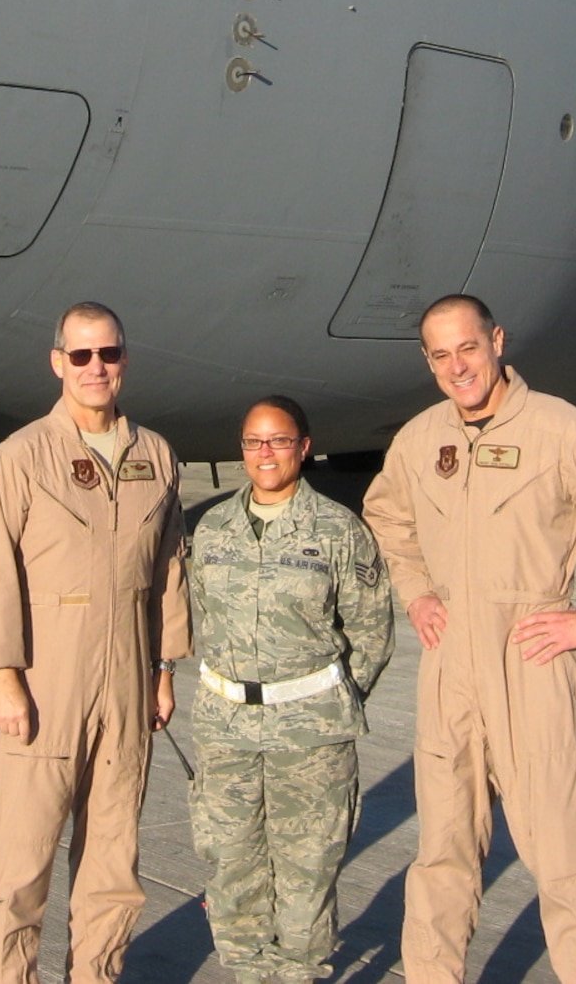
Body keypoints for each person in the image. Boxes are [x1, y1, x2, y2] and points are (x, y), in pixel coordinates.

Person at [361, 294, 576, 984]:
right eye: (441, 355)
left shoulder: (567, 431)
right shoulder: (420, 438)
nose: (457, 366)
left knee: (567, 858)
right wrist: (416, 591)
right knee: (442, 855)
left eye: (468, 348)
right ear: (427, 360)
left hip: (534, 661)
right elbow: (385, 515)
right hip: (450, 670)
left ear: (498, 341)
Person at [0, 302, 190, 984]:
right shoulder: (23, 456)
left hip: (127, 681)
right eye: (83, 356)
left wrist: (163, 670)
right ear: (59, 362)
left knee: (114, 865)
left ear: (125, 359)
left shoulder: (156, 456)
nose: (98, 368)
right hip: (46, 681)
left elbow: (168, 567)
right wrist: (4, 677)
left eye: (110, 354)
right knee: (21, 866)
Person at [188, 396, 394, 984]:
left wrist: (323, 702)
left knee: (305, 875)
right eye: (254, 441)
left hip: (309, 738)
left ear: (304, 447)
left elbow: (371, 632)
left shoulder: (336, 529)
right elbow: (202, 612)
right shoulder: (213, 528)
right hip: (226, 733)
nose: (266, 453)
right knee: (231, 869)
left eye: (279, 440)